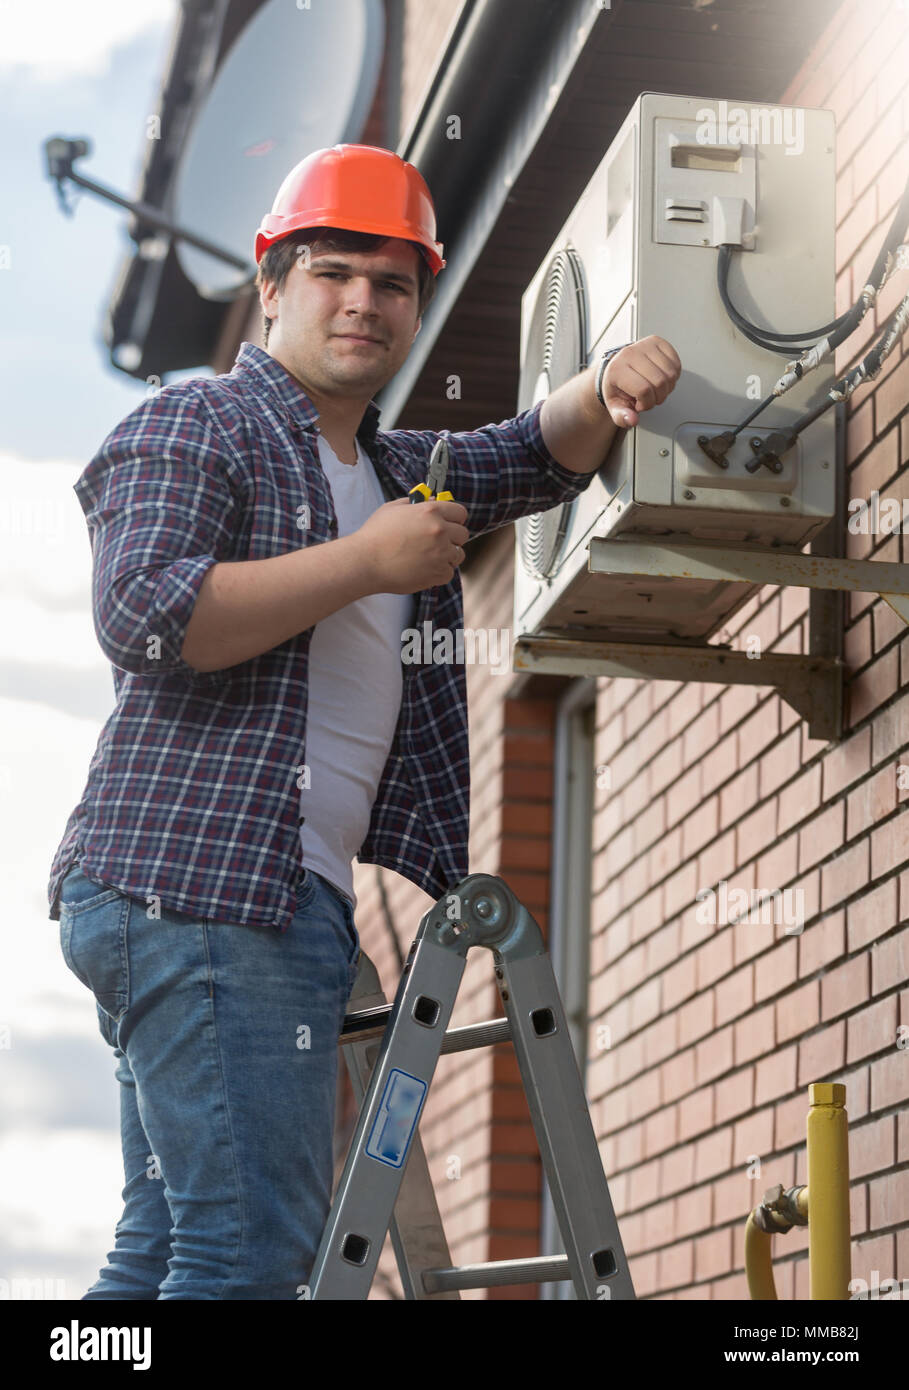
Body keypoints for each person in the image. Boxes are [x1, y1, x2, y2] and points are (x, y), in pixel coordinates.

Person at [47, 143, 681, 1299]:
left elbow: (527, 457)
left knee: (161, 1255)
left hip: (236, 897)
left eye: (393, 284)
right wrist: (362, 562)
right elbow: (144, 611)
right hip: (206, 887)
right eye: (335, 272)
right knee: (248, 1255)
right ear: (272, 284)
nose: (363, 302)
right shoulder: (200, 421)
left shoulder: (394, 471)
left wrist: (608, 387)